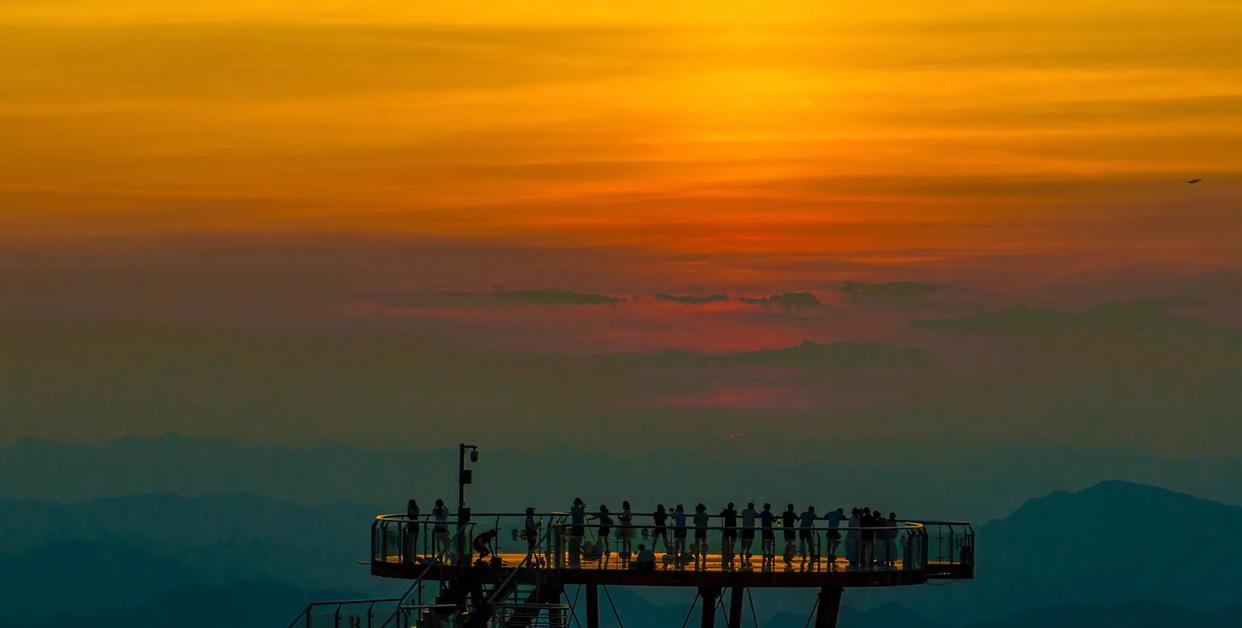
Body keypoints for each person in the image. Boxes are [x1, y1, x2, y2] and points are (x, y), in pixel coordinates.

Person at [719, 502, 738, 570]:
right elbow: (735, 513)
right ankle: (731, 553)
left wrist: (725, 511)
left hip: (727, 528)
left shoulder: (726, 511)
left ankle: (727, 553)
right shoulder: (734, 512)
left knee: (726, 541)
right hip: (733, 528)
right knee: (732, 542)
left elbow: (720, 515)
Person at [798, 505, 818, 571]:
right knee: (810, 543)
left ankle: (804, 556)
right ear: (813, 510)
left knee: (802, 543)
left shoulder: (804, 513)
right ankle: (812, 556)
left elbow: (799, 517)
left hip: (801, 530)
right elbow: (816, 518)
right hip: (807, 530)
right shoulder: (812, 515)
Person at [569, 498, 586, 567]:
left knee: (576, 540)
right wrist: (582, 508)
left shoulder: (573, 508)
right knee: (577, 540)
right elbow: (583, 514)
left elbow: (582, 514)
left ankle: (576, 552)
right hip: (578, 527)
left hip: (577, 527)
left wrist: (582, 508)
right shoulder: (574, 508)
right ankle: (576, 552)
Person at [692, 503, 710, 571]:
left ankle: (697, 556)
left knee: (697, 543)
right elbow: (707, 520)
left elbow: (694, 521)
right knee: (704, 543)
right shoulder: (705, 515)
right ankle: (704, 555)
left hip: (697, 530)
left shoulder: (696, 514)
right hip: (703, 530)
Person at [618, 501, 635, 568]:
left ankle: (627, 551)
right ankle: (626, 550)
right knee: (626, 539)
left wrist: (621, 518)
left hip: (626, 526)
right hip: (625, 526)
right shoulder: (626, 511)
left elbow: (628, 519)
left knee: (626, 538)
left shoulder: (627, 512)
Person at [740, 502, 758, 568]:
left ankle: (742, 552)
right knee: (750, 541)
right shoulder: (753, 512)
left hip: (745, 529)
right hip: (751, 529)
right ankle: (747, 552)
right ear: (752, 507)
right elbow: (758, 515)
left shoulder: (744, 511)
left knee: (744, 541)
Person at [759, 503, 776, 571]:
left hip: (764, 530)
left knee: (764, 541)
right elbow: (774, 521)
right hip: (769, 530)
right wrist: (776, 518)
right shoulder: (770, 514)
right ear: (769, 508)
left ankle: (764, 553)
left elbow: (759, 515)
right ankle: (769, 554)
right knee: (770, 541)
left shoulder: (762, 513)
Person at [403, 499, 420, 565]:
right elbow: (415, 515)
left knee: (410, 541)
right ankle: (414, 555)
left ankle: (411, 556)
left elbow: (410, 516)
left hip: (411, 524)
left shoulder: (410, 509)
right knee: (415, 541)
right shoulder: (417, 509)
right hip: (416, 524)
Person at [781, 504, 797, 571]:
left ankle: (787, 557)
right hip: (791, 530)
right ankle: (787, 557)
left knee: (789, 543)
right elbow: (798, 519)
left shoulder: (785, 513)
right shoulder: (793, 514)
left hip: (786, 530)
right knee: (791, 544)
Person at [672, 504, 688, 570]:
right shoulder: (684, 515)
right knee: (683, 542)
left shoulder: (677, 514)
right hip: (683, 529)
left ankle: (676, 554)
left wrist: (674, 512)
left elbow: (673, 517)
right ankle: (682, 554)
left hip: (678, 529)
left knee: (677, 542)